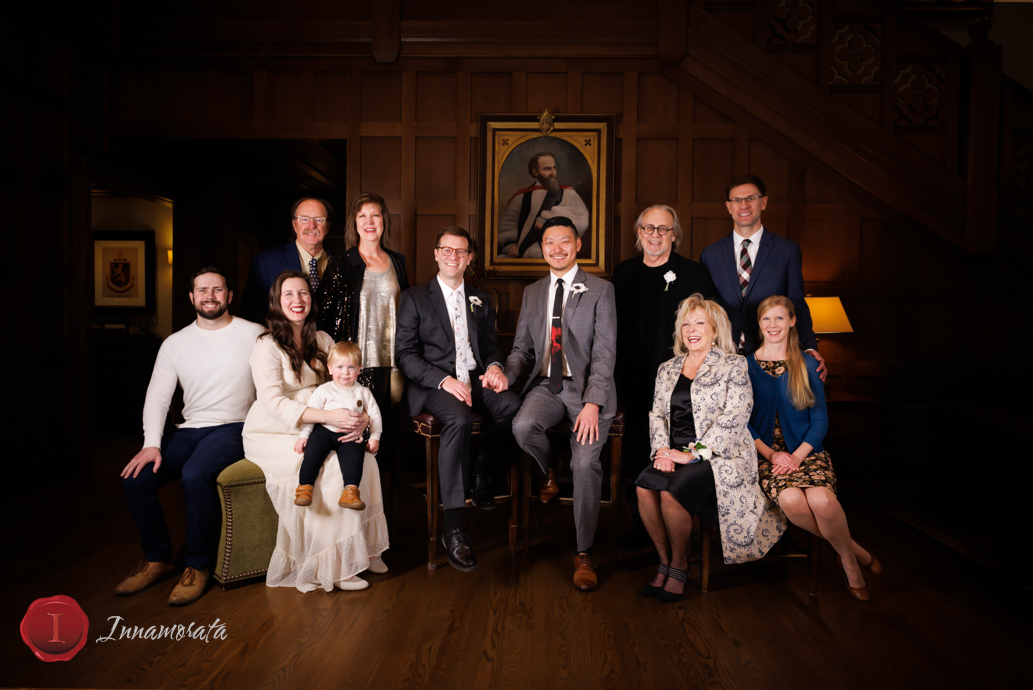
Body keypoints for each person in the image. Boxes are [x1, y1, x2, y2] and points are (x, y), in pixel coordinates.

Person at [117, 267, 265, 605]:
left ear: (229, 295)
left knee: (195, 473)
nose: (210, 296)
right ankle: (158, 559)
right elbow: (158, 397)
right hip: (189, 428)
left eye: (217, 289)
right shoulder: (175, 343)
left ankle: (197, 565)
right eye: (202, 290)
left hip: (235, 426)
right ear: (191, 297)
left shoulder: (255, 334)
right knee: (136, 478)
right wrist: (151, 445)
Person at [243, 271, 388, 592]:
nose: (297, 300)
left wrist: (361, 419)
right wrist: (329, 416)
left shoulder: (323, 339)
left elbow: (348, 387)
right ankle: (336, 566)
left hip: (326, 422)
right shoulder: (266, 344)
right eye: (289, 294)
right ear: (277, 302)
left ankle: (367, 550)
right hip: (276, 429)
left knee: (366, 459)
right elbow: (272, 403)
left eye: (303, 293)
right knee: (332, 468)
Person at [636, 294, 785, 602]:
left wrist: (691, 454)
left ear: (715, 330)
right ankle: (664, 561)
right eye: (686, 324)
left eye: (699, 323)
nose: (691, 330)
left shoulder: (733, 365)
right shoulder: (667, 368)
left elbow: (735, 418)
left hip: (717, 456)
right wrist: (662, 452)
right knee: (643, 488)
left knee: (670, 492)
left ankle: (680, 566)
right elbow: (657, 415)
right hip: (673, 453)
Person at [395, 226, 522, 571]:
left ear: (469, 258)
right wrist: (443, 380)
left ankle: (481, 472)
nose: (453, 256)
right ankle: (453, 527)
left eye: (460, 251)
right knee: (459, 418)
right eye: (447, 250)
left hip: (475, 379)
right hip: (433, 385)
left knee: (512, 407)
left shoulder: (480, 298)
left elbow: (491, 346)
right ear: (437, 254)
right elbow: (404, 355)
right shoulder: (414, 297)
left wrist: (494, 367)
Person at [507, 216, 617, 591]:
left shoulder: (601, 289)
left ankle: (584, 552)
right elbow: (522, 349)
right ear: (542, 248)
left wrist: (593, 403)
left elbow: (604, 353)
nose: (557, 249)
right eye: (549, 242)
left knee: (584, 463)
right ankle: (550, 471)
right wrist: (505, 374)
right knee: (523, 427)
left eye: (564, 241)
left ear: (578, 245)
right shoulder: (533, 292)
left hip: (586, 390)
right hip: (546, 385)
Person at [748, 295, 881, 601]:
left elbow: (820, 419)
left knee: (823, 502)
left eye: (780, 318)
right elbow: (741, 422)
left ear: (792, 321)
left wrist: (796, 456)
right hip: (767, 457)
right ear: (759, 323)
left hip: (808, 453)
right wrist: (772, 454)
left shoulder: (808, 363)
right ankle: (852, 552)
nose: (772, 325)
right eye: (766, 318)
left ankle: (848, 563)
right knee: (793, 500)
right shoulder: (745, 366)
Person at [611, 204, 717, 545]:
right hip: (630, 380)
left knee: (672, 450)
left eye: (663, 229)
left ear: (674, 235)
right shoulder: (624, 273)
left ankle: (680, 531)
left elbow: (709, 328)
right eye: (649, 228)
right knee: (635, 452)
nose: (655, 235)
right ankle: (641, 528)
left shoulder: (694, 274)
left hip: (678, 384)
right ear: (639, 232)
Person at [699, 174, 826, 380]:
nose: (744, 205)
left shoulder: (787, 250)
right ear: (729, 206)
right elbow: (706, 309)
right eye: (737, 200)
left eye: (751, 198)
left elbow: (796, 304)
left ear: (763, 202)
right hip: (723, 355)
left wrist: (810, 348)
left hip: (773, 356)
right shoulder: (710, 254)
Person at [317, 192, 409, 421]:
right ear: (355, 223)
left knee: (390, 427)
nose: (369, 222)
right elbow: (323, 318)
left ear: (384, 220)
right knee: (359, 426)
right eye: (362, 216)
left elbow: (409, 312)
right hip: (356, 364)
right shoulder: (339, 264)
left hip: (394, 362)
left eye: (375, 215)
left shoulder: (397, 262)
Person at [294, 341, 383, 511]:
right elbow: (311, 414)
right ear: (330, 369)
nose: (345, 372)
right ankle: (305, 488)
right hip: (325, 431)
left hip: (350, 435)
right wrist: (303, 436)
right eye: (340, 367)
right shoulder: (324, 390)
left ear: (359, 369)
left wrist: (374, 437)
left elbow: (374, 415)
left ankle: (350, 492)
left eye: (351, 367)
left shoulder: (363, 392)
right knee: (312, 453)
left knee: (355, 456)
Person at [240, 197, 335, 324]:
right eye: (304, 219)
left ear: (327, 227)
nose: (312, 225)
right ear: (294, 225)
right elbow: (249, 314)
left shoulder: (341, 265)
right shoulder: (266, 261)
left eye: (319, 220)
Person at [497, 152, 589, 258]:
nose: (553, 173)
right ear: (535, 172)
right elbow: (507, 222)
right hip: (522, 251)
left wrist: (550, 217)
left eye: (554, 168)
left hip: (558, 251)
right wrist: (509, 244)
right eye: (547, 169)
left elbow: (581, 218)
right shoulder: (523, 196)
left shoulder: (568, 193)